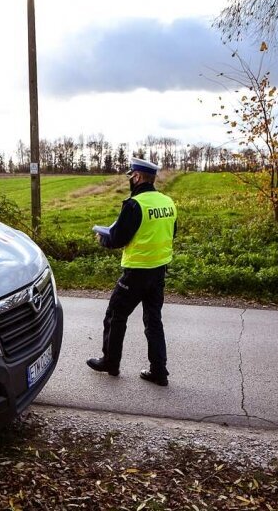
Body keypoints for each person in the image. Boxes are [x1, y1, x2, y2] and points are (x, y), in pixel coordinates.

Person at [87, 157, 177, 386]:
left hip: (136, 272)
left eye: (131, 176)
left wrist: (102, 239)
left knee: (115, 316)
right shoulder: (167, 202)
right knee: (153, 321)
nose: (130, 180)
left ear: (137, 177)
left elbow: (117, 238)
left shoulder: (134, 204)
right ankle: (159, 372)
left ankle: (110, 362)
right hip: (158, 271)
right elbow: (170, 233)